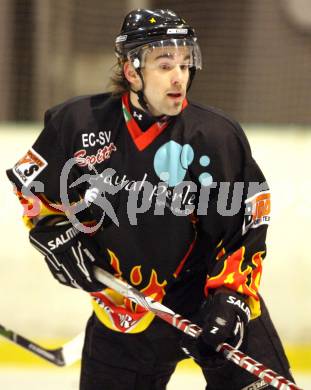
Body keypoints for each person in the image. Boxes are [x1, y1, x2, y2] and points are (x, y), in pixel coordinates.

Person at [7, 8, 295, 390]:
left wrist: (233, 297)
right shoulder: (78, 124)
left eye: (185, 64)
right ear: (132, 71)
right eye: (164, 65)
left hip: (208, 300)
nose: (180, 77)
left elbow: (247, 223)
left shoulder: (213, 137)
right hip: (126, 309)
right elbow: (33, 185)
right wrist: (53, 229)